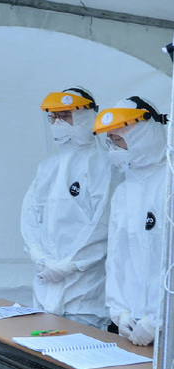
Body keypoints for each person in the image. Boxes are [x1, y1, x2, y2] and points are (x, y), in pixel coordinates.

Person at [21, 87, 112, 328]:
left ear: (86, 116)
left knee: (80, 350)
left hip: (84, 286)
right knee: (43, 352)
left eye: (65, 116)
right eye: (54, 117)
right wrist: (38, 254)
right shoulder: (48, 166)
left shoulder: (102, 164)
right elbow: (30, 215)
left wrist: (70, 264)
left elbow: (103, 224)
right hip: (45, 282)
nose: (58, 123)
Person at [93, 96, 168, 346]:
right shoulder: (124, 191)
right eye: (111, 142)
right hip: (134, 325)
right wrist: (119, 311)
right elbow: (117, 256)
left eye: (119, 140)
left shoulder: (169, 183)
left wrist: (157, 320)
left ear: (143, 136)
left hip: (166, 324)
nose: (114, 150)